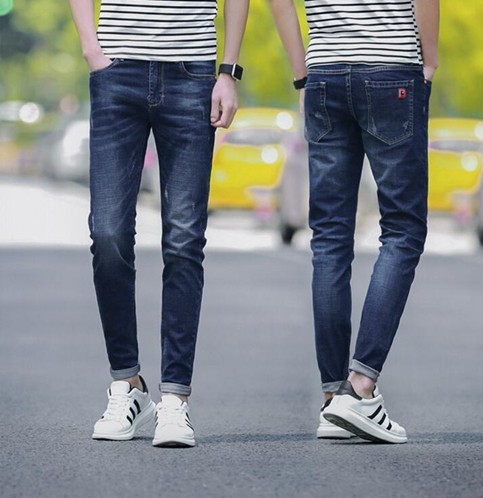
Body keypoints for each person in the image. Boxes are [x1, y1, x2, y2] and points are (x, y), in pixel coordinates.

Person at [68, 0, 249, 447]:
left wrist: (228, 71)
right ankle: (127, 383)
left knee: (184, 240)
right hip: (117, 70)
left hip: (193, 73)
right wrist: (92, 48)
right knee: (107, 233)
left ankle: (174, 398)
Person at [268, 0, 439, 443]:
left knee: (329, 238)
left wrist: (302, 73)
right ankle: (360, 387)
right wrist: (429, 58)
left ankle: (333, 400)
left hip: (324, 73)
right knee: (403, 230)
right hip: (392, 67)